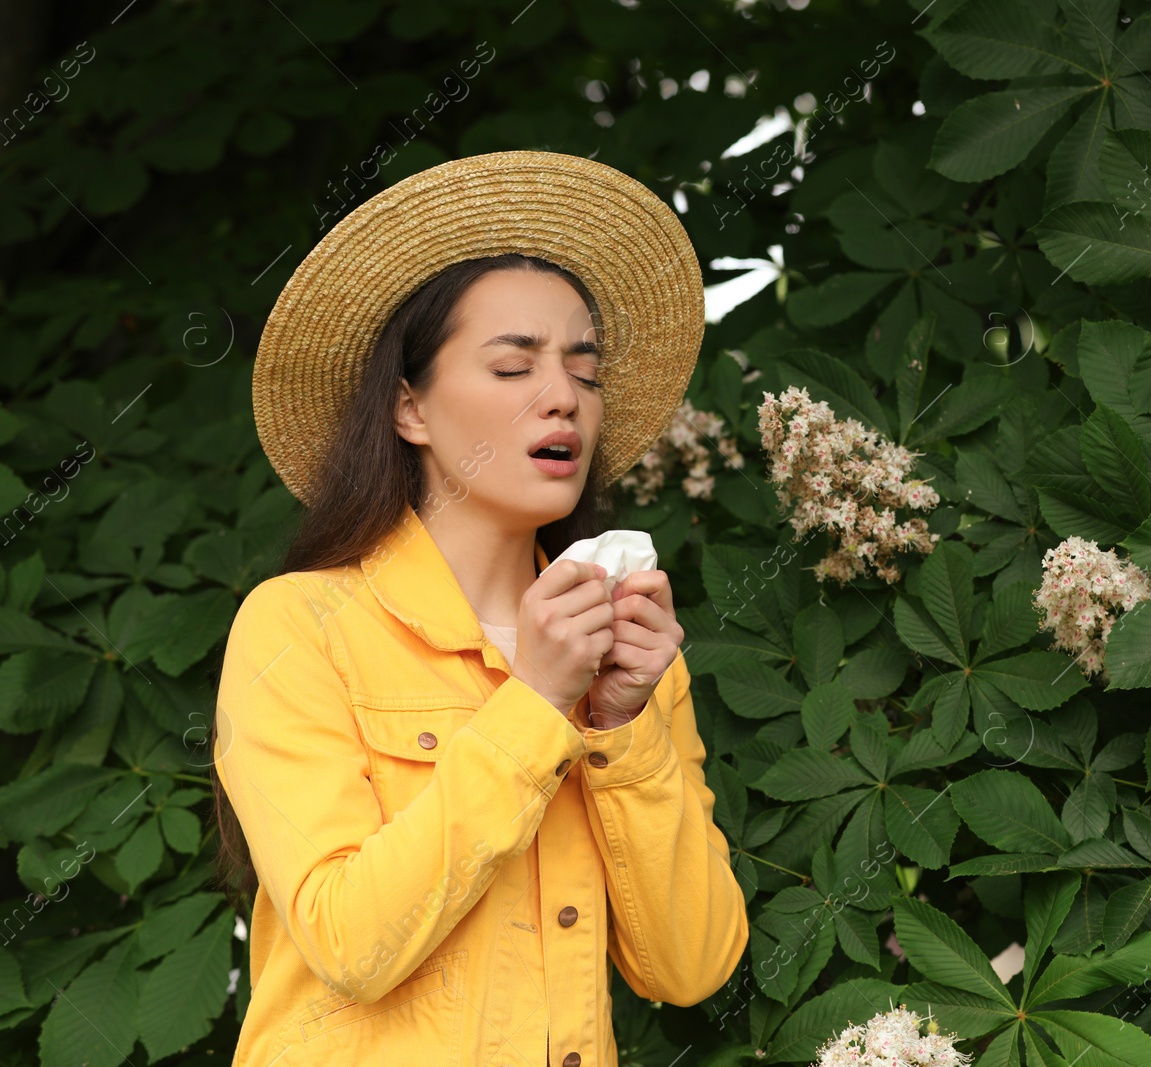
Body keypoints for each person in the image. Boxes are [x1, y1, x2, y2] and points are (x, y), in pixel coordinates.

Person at [210, 151, 749, 1067]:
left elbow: (691, 965)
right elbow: (350, 942)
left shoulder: (630, 652)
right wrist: (535, 705)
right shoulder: (296, 625)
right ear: (409, 407)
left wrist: (621, 726)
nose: (563, 398)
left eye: (585, 369)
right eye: (512, 366)